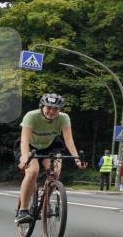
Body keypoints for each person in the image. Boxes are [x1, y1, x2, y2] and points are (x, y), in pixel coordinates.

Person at [16, 94, 86, 224]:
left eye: (56, 109)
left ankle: (45, 202)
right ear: (42, 107)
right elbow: (24, 141)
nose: (52, 111)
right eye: (48, 108)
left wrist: (77, 160)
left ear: (60, 110)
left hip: (50, 146)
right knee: (33, 171)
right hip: (30, 146)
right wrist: (25, 158)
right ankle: (23, 211)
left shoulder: (64, 118)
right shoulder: (31, 116)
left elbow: (69, 141)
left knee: (55, 172)